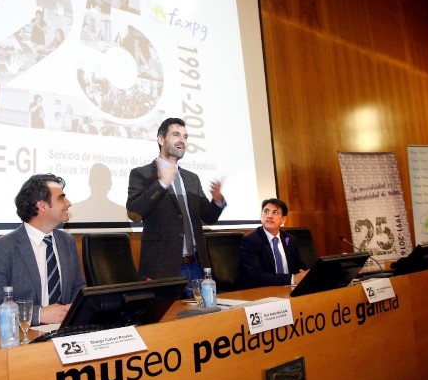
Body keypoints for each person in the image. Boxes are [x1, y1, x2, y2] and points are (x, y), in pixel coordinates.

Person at [126, 117, 225, 287]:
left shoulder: (191, 178)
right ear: (161, 139)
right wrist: (162, 183)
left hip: (196, 266)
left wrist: (217, 202)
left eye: (185, 137)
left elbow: (208, 217)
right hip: (162, 267)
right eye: (176, 135)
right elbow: (135, 212)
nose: (182, 141)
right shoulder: (141, 174)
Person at [0, 174, 85, 327]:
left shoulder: (67, 242)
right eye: (61, 198)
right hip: (22, 338)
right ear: (42, 206)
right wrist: (39, 314)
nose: (68, 203)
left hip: (65, 333)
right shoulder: (1, 249)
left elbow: (78, 290)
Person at [238, 198, 309, 288]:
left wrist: (305, 274)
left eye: (275, 212)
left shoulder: (290, 239)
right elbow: (256, 276)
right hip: (263, 291)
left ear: (283, 220)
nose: (269, 216)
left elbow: (300, 266)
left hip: (290, 289)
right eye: (266, 211)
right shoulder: (250, 241)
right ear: (261, 216)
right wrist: (292, 279)